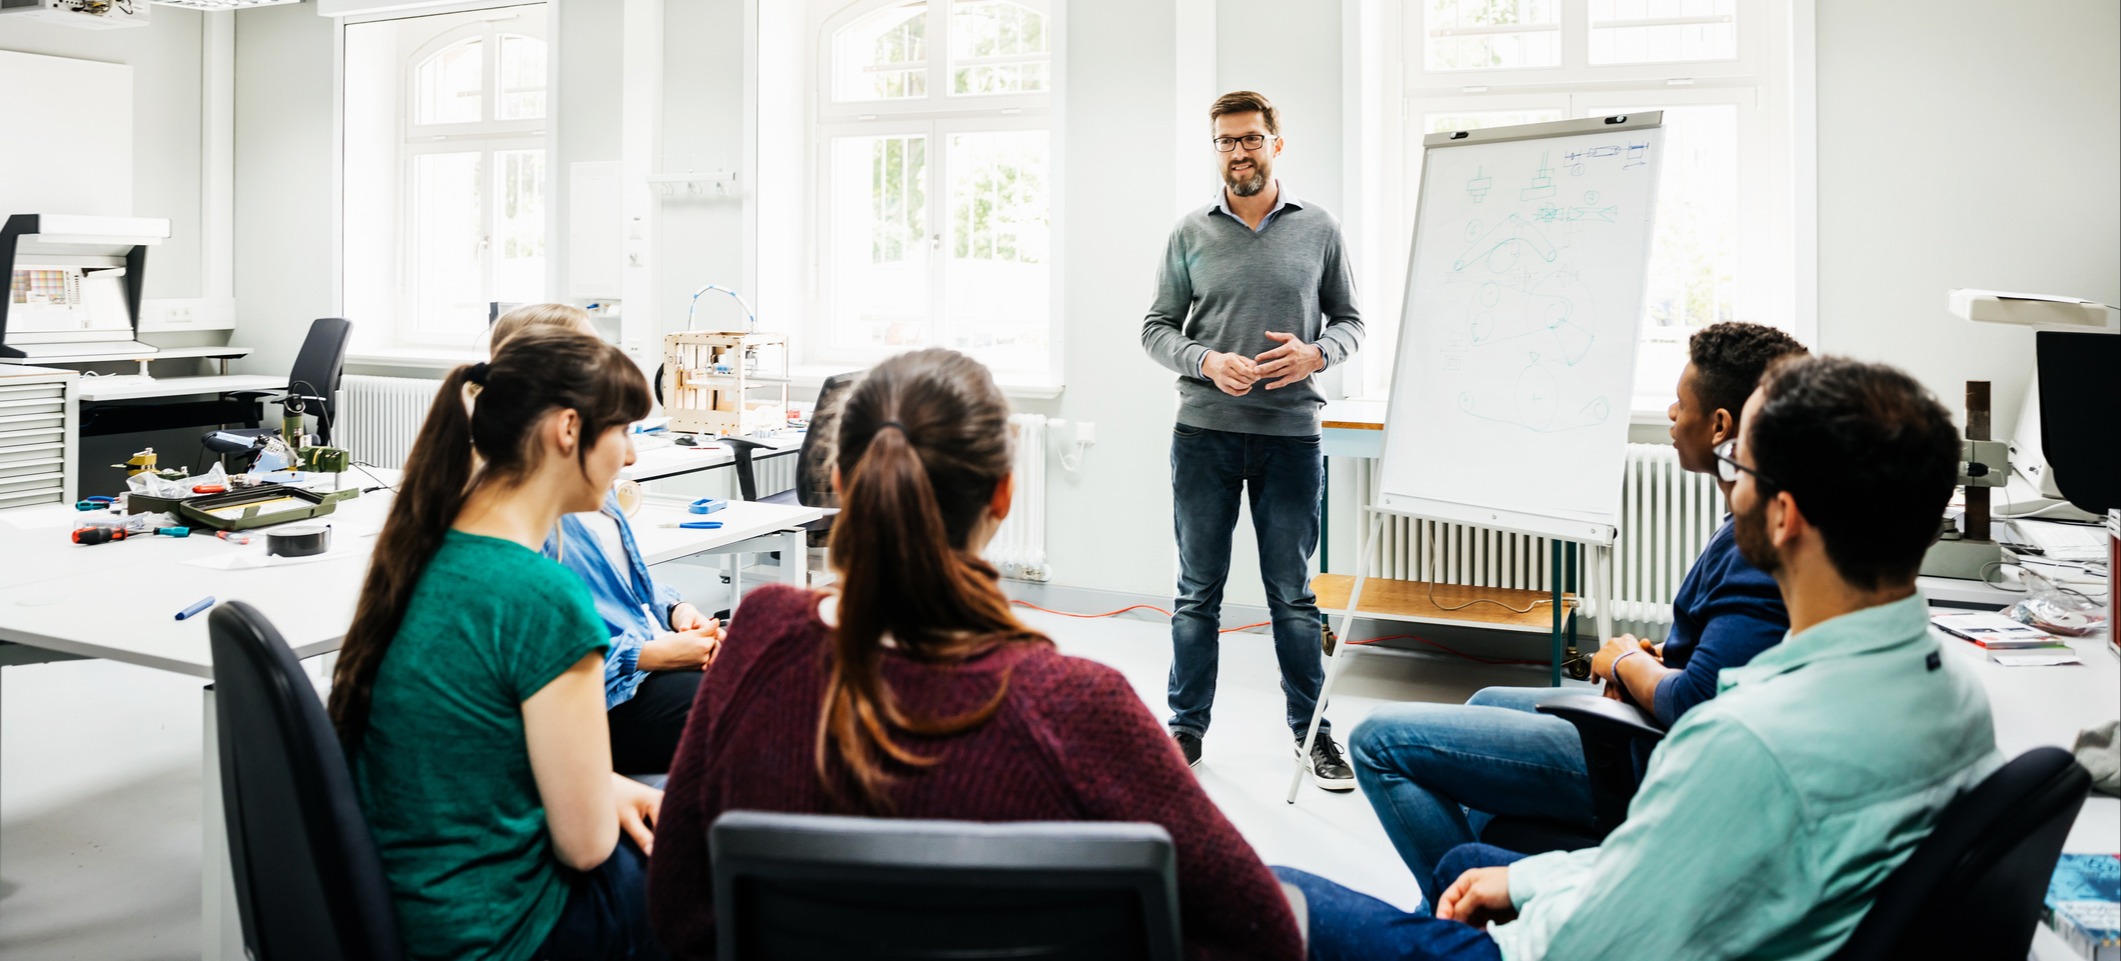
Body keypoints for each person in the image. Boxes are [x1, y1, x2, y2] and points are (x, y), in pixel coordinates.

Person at [1279, 354, 2000, 961]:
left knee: (1268, 895)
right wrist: (1528, 881)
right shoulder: (1957, 693)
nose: (1731, 484)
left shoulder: (1744, 744)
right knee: (1473, 867)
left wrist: (1522, 906)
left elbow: (1589, 940)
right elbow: (1663, 862)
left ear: (1785, 516)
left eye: (1738, 465)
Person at [647, 348, 1303, 961]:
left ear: (842, 482)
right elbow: (1266, 935)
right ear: (1002, 494)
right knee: (1306, 894)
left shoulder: (761, 633)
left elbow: (677, 907)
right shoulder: (1080, 706)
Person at [1349, 321, 1805, 903]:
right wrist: (1661, 656)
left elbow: (1698, 703)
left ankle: (1470, 915)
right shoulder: (1748, 523)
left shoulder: (1755, 544)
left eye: (1680, 401)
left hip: (1659, 756)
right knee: (1485, 702)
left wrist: (1624, 664)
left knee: (1376, 741)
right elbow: (1735, 656)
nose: (1669, 412)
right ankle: (1477, 884)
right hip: (1657, 729)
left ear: (1720, 426)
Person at [330, 326, 668, 961]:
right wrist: (603, 797)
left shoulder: (426, 549)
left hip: (426, 906)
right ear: (569, 429)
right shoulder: (541, 595)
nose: (629, 456)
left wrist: (606, 785)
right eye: (623, 431)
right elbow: (586, 846)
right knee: (726, 879)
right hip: (508, 931)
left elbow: (477, 749)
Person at [1141, 89, 1365, 788]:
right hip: (1204, 436)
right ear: (1215, 149)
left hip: (1291, 439)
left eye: (1249, 138)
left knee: (1293, 596)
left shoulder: (1319, 228)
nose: (1238, 151)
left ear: (1275, 142)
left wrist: (1314, 355)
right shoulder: (1187, 233)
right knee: (1195, 594)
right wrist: (1206, 360)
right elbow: (1155, 329)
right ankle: (1186, 730)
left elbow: (1351, 322)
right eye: (1225, 141)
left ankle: (1312, 734)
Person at [487, 304, 726, 775]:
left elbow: (621, 584)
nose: (633, 455)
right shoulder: (523, 527)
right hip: (609, 693)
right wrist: (654, 654)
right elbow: (551, 662)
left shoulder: (589, 488)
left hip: (631, 667)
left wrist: (673, 610)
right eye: (621, 431)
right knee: (752, 703)